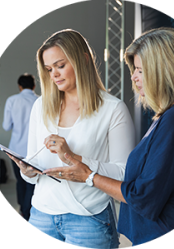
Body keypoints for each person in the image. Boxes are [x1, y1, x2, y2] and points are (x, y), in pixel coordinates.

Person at [43, 27, 174, 247]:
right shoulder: (171, 117)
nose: (133, 77)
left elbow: (144, 197)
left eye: (140, 71)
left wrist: (88, 175)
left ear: (164, 71)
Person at [7, 29, 135, 249]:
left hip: (88, 218)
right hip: (41, 214)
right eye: (48, 69)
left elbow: (124, 173)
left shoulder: (113, 109)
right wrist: (27, 171)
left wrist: (73, 158)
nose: (54, 74)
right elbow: (33, 167)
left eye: (60, 65)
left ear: (83, 59)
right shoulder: (40, 106)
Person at [3, 73, 38, 221]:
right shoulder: (39, 100)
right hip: (35, 151)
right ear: (34, 86)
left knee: (20, 181)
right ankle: (27, 212)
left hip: (15, 149)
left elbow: (6, 126)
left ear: (20, 86)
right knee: (32, 183)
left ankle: (22, 211)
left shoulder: (12, 100)